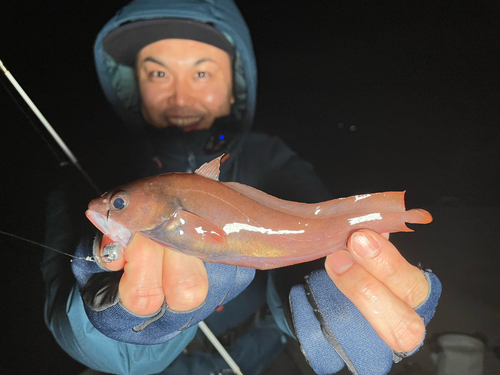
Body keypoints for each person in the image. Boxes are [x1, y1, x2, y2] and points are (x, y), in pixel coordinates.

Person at [42, 0, 441, 374]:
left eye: (201, 72)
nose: (181, 95)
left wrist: (339, 298)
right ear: (134, 87)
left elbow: (305, 238)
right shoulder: (84, 172)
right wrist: (100, 315)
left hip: (260, 356)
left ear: (234, 85)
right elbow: (65, 318)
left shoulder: (272, 159)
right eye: (158, 72)